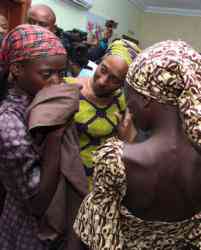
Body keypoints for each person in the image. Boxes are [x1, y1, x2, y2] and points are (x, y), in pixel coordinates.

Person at [74, 40, 201, 249]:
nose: (128, 105)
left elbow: (93, 239)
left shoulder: (116, 160)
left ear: (146, 99)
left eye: (129, 94)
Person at [0, 24, 84, 250]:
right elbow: (37, 203)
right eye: (47, 74)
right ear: (17, 69)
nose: (57, 82)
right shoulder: (9, 125)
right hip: (28, 230)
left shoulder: (41, 102)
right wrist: (56, 136)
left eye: (62, 73)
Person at [64, 39, 140, 191]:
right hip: (66, 178)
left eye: (114, 79)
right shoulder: (69, 87)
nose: (103, 81)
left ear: (123, 83)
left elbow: (128, 144)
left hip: (100, 182)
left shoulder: (123, 102)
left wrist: (125, 139)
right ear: (99, 62)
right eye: (103, 69)